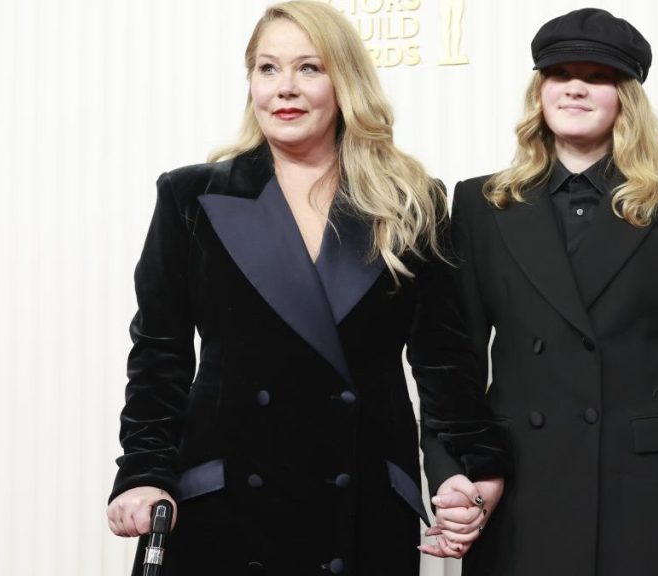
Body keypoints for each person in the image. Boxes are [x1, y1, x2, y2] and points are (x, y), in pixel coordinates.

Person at [104, 2, 507, 574]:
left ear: (344, 81)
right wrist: (143, 475)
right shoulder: (191, 198)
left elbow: (442, 360)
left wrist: (472, 465)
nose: (285, 89)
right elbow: (159, 354)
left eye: (309, 68)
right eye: (267, 69)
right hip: (223, 507)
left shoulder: (409, 199)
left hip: (361, 504)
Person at [434, 8, 658, 576]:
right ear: (540, 91)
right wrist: (453, 473)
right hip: (522, 491)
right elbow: (453, 363)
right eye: (559, 73)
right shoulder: (482, 206)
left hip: (645, 497)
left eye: (598, 75)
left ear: (625, 97)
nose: (575, 86)